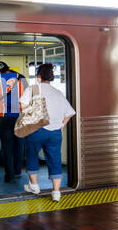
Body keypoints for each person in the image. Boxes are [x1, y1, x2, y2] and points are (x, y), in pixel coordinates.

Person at [19, 63, 76, 202]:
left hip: (36, 130)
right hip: (55, 132)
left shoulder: (32, 89)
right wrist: (61, 126)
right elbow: (69, 113)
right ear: (50, 77)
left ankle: (34, 186)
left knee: (32, 156)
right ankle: (56, 193)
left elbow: (22, 106)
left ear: (38, 76)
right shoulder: (58, 93)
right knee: (55, 160)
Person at [0, 61, 28, 183]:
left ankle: (9, 175)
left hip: (4, 117)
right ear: (9, 68)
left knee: (6, 147)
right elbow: (30, 95)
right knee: (19, 144)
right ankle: (17, 171)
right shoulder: (21, 77)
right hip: (20, 116)